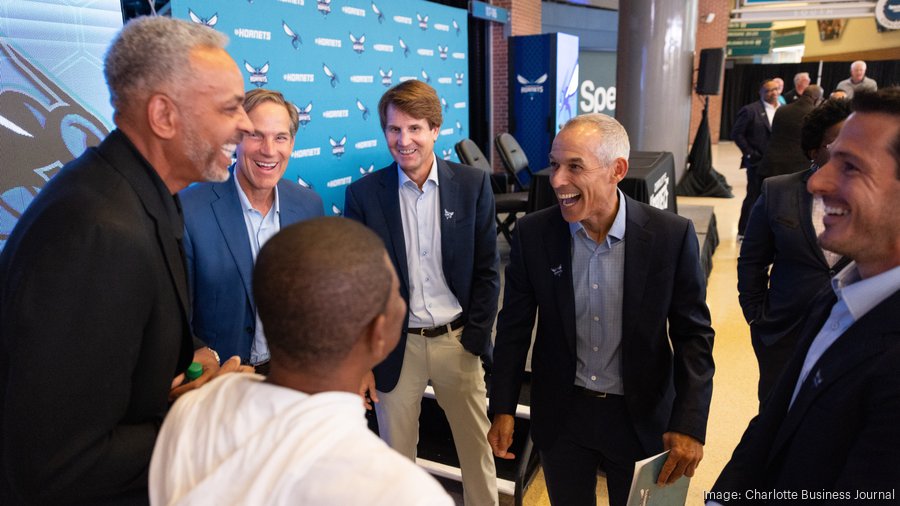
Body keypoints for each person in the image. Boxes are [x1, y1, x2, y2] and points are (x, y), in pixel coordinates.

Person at [0, 16, 254, 504]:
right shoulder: (96, 233)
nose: (245, 124)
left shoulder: (139, 193)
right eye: (230, 108)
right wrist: (205, 417)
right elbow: (60, 464)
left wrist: (191, 356)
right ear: (163, 116)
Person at [488, 114, 715, 506]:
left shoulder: (670, 236)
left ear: (617, 170)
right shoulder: (533, 233)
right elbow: (513, 328)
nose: (557, 180)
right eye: (555, 165)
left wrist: (690, 422)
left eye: (575, 167)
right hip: (563, 417)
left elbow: (693, 336)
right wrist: (503, 407)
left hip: (642, 418)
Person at [150, 217, 453, 506]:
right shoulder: (404, 494)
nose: (402, 302)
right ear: (378, 335)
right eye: (396, 292)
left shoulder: (192, 411)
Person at [711, 87, 900, 502]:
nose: (817, 180)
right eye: (830, 157)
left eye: (851, 167)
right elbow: (774, 423)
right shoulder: (836, 299)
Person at [344, 80, 500, 506]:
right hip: (395, 348)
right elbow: (359, 286)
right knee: (396, 464)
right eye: (394, 129)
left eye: (414, 128)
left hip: (458, 341)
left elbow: (488, 272)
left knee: (476, 453)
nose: (404, 140)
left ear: (435, 129)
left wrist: (475, 339)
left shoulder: (472, 185)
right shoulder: (363, 195)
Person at [180, 88, 323, 374]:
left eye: (280, 137)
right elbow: (176, 318)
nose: (269, 150)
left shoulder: (309, 205)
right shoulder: (189, 210)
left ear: (292, 144)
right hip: (222, 380)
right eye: (255, 135)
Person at [738, 98, 852, 401]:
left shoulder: (876, 200)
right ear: (814, 151)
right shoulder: (777, 191)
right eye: (838, 142)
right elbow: (752, 261)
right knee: (775, 415)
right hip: (784, 333)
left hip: (850, 334)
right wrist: (756, 316)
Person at [733, 79, 780, 238]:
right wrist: (749, 153)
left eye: (775, 89)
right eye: (768, 90)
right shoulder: (750, 110)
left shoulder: (783, 110)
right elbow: (737, 134)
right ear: (760, 93)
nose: (773, 93)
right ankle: (743, 231)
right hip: (756, 162)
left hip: (776, 162)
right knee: (753, 196)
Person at [757, 84, 824, 181]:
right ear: (816, 98)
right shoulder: (815, 115)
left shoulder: (781, 109)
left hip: (772, 164)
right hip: (798, 168)